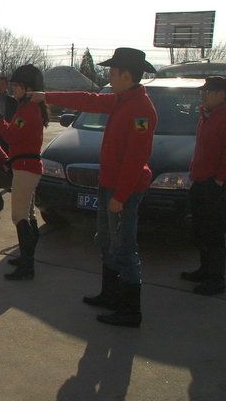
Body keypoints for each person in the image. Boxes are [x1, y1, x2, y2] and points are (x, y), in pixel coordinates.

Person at [29, 47, 157, 328]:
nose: (109, 77)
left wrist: (120, 196)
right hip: (108, 185)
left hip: (124, 190)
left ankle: (130, 311)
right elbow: (87, 100)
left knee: (125, 248)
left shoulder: (141, 109)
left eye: (113, 72)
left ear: (126, 75)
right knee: (107, 242)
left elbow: (136, 160)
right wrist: (47, 96)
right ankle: (110, 295)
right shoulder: (121, 100)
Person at [182, 76, 226, 296]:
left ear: (221, 95)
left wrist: (219, 179)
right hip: (200, 181)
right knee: (201, 229)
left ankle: (216, 279)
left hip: (216, 184)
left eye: (208, 92)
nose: (204, 95)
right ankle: (205, 269)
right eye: (204, 91)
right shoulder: (205, 117)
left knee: (214, 232)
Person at [0, 65, 48, 280]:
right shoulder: (27, 108)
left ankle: (27, 265)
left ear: (28, 89)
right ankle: (27, 258)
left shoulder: (27, 110)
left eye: (17, 86)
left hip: (26, 168)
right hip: (26, 166)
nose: (13, 89)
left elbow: (11, 136)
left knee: (19, 216)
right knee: (28, 214)